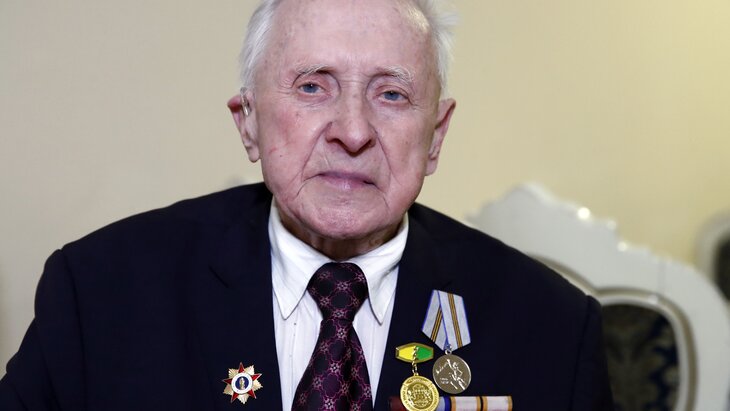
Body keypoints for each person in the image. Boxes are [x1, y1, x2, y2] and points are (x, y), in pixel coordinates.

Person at [0, 0, 613, 409]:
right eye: (313, 86)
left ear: (436, 136)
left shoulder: (553, 328)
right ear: (249, 122)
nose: (353, 131)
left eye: (391, 94)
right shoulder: (100, 292)